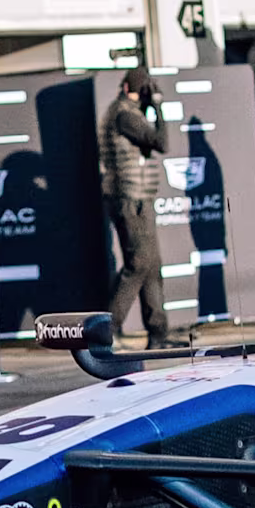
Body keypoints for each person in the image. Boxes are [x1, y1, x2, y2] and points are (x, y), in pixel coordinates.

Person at [101, 70, 173, 347]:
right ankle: (107, 330)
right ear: (132, 88)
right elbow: (162, 142)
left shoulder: (127, 111)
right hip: (130, 200)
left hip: (139, 198)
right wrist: (157, 107)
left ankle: (158, 335)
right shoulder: (124, 114)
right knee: (138, 264)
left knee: (152, 266)